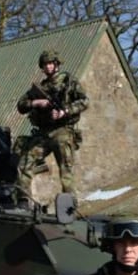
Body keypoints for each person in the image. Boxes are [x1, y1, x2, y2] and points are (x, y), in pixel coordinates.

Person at [15, 50, 89, 199]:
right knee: (25, 161)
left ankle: (69, 204)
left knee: (66, 170)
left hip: (62, 130)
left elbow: (84, 101)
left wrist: (65, 111)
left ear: (56, 64)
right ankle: (23, 199)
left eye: (50, 63)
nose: (48, 67)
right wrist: (36, 102)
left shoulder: (69, 81)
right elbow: (21, 105)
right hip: (44, 133)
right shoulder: (41, 87)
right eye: (45, 64)